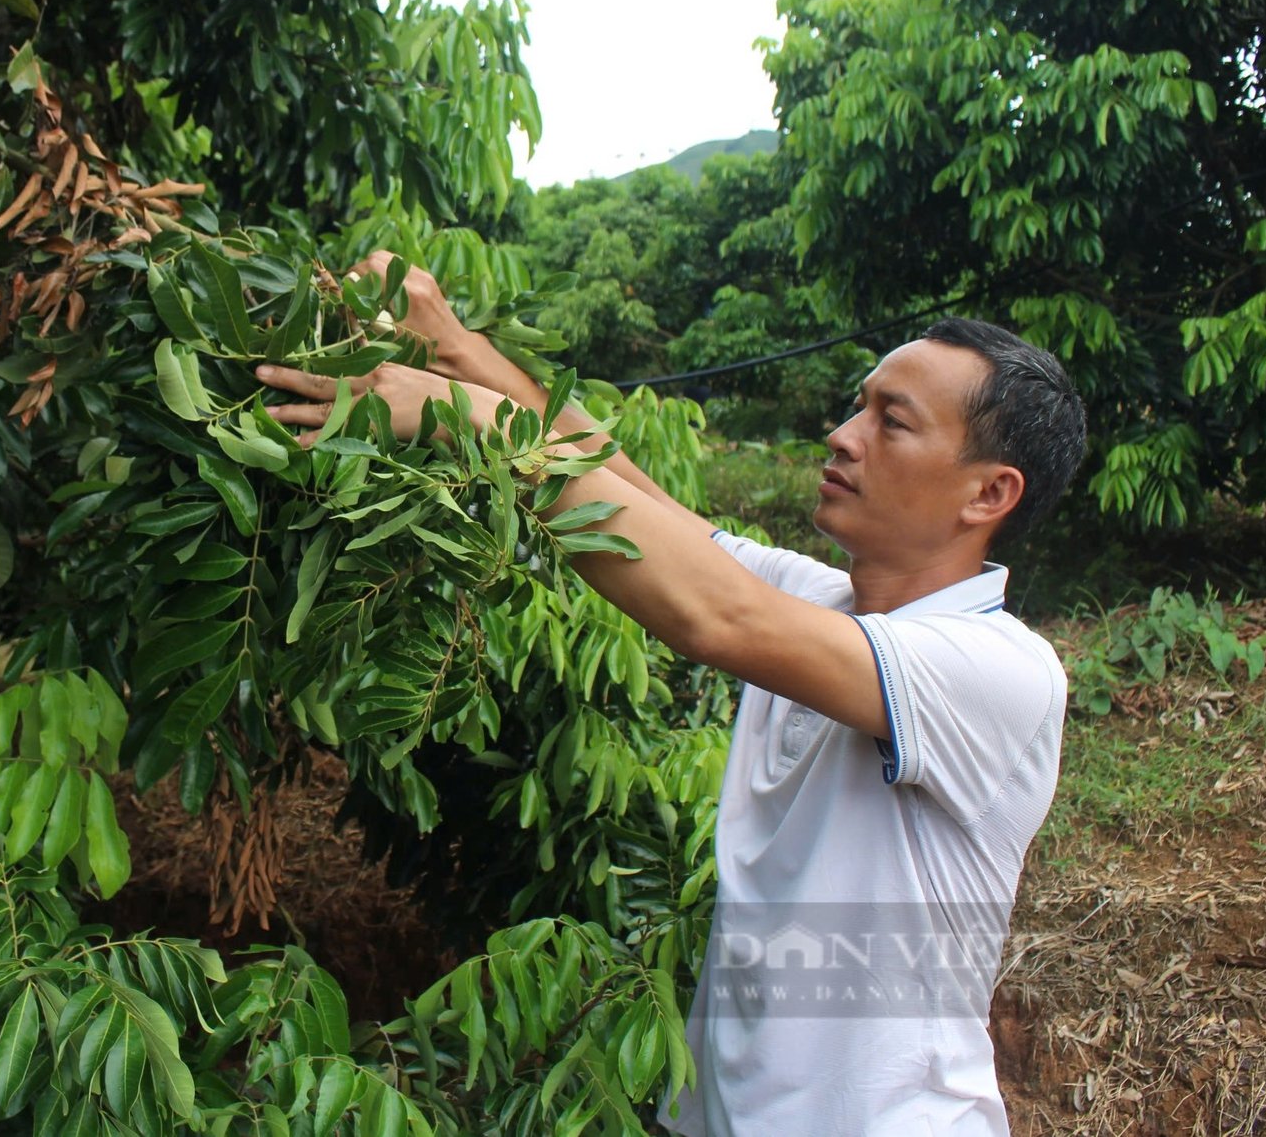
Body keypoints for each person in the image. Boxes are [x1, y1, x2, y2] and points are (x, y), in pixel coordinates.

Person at [255, 252, 1088, 1136]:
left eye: (893, 422)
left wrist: (473, 422)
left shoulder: (999, 668)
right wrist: (460, 350)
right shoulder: (822, 602)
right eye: (859, 404)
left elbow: (717, 615)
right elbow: (641, 504)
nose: (844, 434)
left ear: (989, 493)